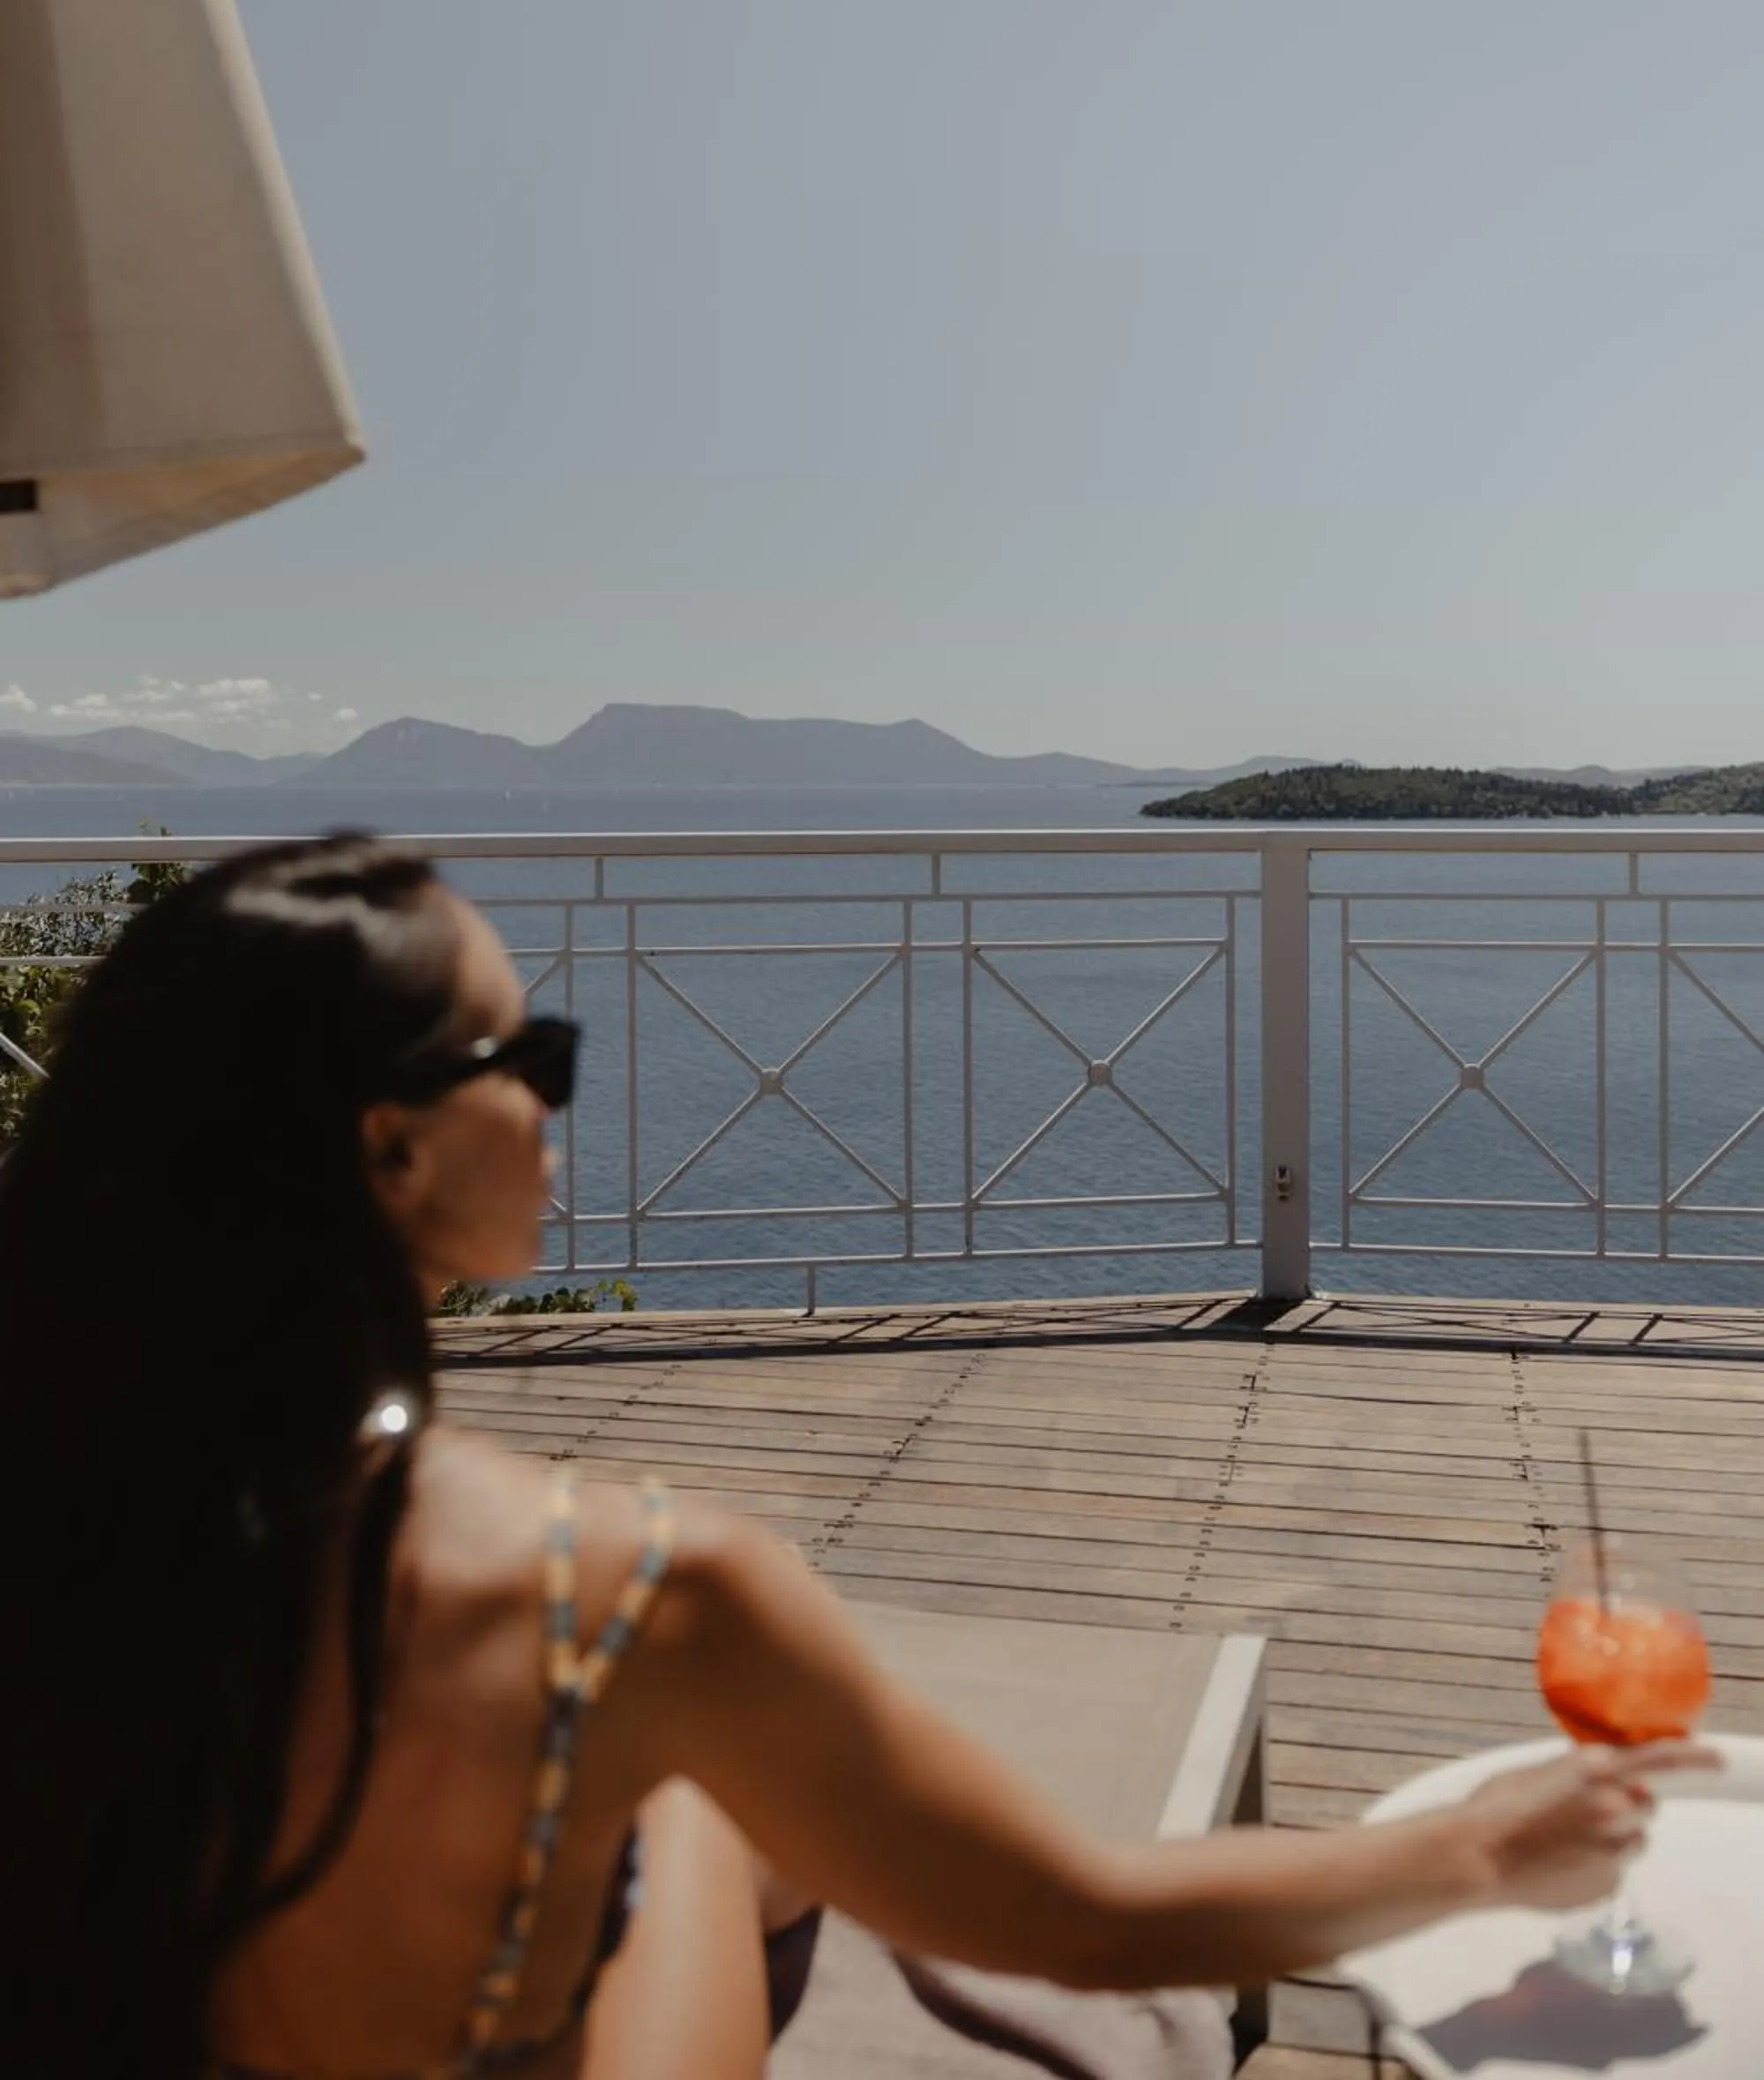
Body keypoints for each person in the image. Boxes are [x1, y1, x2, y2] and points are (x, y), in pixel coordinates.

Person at [0, 837, 1707, 2080]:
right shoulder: (627, 1599)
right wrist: (1479, 1845)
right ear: (390, 1147)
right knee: (684, 1784)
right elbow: (1084, 1919)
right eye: (534, 1060)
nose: (559, 1096)